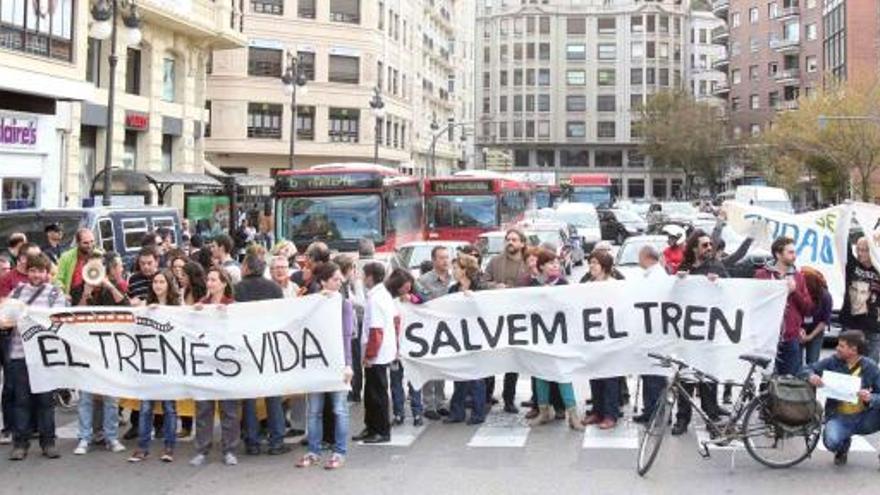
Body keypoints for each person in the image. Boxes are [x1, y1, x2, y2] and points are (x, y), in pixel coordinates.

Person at [1, 253, 66, 460]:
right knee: (21, 400)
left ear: (47, 273)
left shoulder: (55, 293)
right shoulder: (17, 291)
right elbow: (5, 318)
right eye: (32, 270)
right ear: (27, 271)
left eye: (40, 271)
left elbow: (57, 319)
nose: (36, 274)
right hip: (20, 354)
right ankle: (20, 444)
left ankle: (48, 443)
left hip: (44, 355)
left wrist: (27, 315)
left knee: (46, 400)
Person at [296, 262, 354, 470]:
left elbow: (347, 336)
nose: (340, 282)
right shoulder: (312, 302)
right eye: (335, 279)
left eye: (340, 279)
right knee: (314, 410)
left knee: (339, 409)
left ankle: (339, 452)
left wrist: (348, 364)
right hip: (315, 363)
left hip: (337, 364)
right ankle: (313, 451)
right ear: (323, 282)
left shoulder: (344, 304)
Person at [671, 230, 726, 436]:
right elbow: (673, 298)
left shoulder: (717, 267)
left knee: (708, 380)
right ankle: (682, 419)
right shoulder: (684, 269)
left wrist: (718, 283)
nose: (709, 248)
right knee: (686, 378)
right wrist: (678, 280)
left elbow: (730, 293)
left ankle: (712, 419)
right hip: (688, 334)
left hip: (709, 333)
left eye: (710, 245)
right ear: (694, 248)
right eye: (704, 245)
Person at [235, 251, 290, 456]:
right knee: (273, 397)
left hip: (247, 348)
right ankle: (276, 441)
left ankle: (252, 442)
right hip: (269, 347)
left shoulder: (238, 289)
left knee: (249, 398)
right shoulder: (274, 288)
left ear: (247, 268)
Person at [73, 252, 128, 456]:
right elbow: (73, 316)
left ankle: (111, 437)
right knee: (86, 398)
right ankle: (84, 438)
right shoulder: (78, 289)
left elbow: (126, 308)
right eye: (91, 267)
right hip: (87, 352)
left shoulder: (110, 289)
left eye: (98, 268)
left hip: (110, 351)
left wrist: (109, 285)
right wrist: (86, 294)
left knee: (110, 398)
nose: (94, 272)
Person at [802, 330, 880, 466]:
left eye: (841, 346)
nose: (837, 348)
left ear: (853, 350)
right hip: (839, 417)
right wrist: (811, 376)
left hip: (865, 417)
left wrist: (871, 397)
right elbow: (805, 369)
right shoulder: (832, 361)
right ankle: (843, 446)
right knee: (831, 441)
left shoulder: (870, 367)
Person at [527, 249, 585, 431]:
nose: (555, 265)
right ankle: (544, 411)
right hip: (538, 336)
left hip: (559, 337)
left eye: (557, 263)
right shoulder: (531, 285)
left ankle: (573, 415)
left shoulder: (563, 284)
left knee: (563, 375)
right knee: (540, 375)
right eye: (551, 263)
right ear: (541, 266)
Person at [128, 270, 181, 463]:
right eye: (155, 282)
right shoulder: (145, 306)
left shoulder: (177, 307)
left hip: (170, 363)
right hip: (149, 363)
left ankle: (169, 447)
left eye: (161, 281)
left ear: (168, 284)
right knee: (146, 407)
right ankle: (142, 447)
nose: (158, 285)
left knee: (169, 408)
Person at [190, 268, 240, 467]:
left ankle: (229, 450)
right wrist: (194, 314)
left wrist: (227, 316)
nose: (209, 283)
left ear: (223, 283)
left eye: (213, 279)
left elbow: (240, 331)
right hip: (205, 364)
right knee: (203, 409)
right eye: (208, 279)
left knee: (229, 409)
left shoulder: (232, 305)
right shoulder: (201, 304)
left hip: (226, 364)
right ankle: (202, 450)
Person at [481, 228, 530, 414]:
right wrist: (495, 286)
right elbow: (482, 282)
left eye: (514, 239)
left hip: (518, 320)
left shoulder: (527, 262)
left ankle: (509, 399)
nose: (510, 242)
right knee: (492, 358)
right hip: (495, 318)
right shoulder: (495, 262)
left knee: (513, 361)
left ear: (522, 243)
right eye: (508, 239)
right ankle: (487, 396)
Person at [755, 236, 813, 375]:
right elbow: (755, 302)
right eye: (790, 252)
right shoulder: (762, 274)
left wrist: (794, 292)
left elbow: (808, 308)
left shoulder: (798, 277)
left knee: (788, 380)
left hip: (789, 338)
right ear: (778, 254)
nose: (794, 256)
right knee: (764, 379)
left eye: (794, 252)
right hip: (766, 337)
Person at [352, 262, 396, 444]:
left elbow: (376, 331)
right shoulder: (380, 295)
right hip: (379, 351)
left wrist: (370, 355)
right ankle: (370, 426)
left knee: (377, 393)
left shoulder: (377, 298)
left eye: (363, 275)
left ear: (370, 276)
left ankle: (381, 430)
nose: (362, 279)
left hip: (377, 354)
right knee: (369, 393)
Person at [443, 254, 488, 425]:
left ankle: (478, 413)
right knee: (459, 376)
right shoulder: (453, 290)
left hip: (477, 337)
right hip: (458, 337)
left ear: (465, 270)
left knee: (476, 377)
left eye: (455, 268)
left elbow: (487, 310)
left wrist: (474, 299)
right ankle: (457, 412)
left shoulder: (480, 288)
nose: (452, 271)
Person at [581, 250, 622, 430]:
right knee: (595, 376)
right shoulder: (587, 285)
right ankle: (597, 411)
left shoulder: (615, 286)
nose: (591, 266)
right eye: (590, 262)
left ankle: (610, 414)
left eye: (595, 263)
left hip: (611, 338)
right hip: (593, 338)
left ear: (604, 266)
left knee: (610, 378)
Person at [632, 245, 670, 424]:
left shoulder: (656, 276)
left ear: (646, 257)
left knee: (654, 376)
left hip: (654, 334)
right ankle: (651, 410)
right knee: (650, 375)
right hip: (650, 333)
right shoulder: (654, 274)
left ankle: (655, 412)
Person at [415, 245, 452, 420]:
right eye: (442, 258)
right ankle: (428, 403)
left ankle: (440, 401)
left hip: (448, 329)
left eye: (447, 257)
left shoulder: (453, 278)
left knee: (442, 366)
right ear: (434, 260)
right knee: (429, 366)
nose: (446, 261)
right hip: (429, 329)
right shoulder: (423, 281)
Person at [388, 268, 424, 427]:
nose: (406, 288)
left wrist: (412, 298)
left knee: (414, 381)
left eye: (409, 285)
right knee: (396, 383)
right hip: (395, 348)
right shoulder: (390, 301)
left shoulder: (414, 296)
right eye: (403, 286)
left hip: (413, 347)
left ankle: (417, 413)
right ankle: (398, 413)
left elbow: (426, 302)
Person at [841, 237, 880, 362]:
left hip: (874, 327)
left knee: (870, 368)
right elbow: (841, 240)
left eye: (865, 250)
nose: (860, 253)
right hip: (851, 324)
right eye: (858, 250)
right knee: (847, 365)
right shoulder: (852, 265)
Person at [801, 267, 833, 366]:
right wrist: (799, 330)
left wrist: (810, 336)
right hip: (799, 330)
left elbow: (824, 321)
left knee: (813, 361)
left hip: (816, 331)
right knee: (795, 361)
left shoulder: (825, 296)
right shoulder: (798, 293)